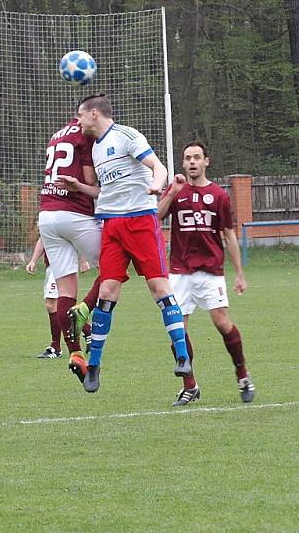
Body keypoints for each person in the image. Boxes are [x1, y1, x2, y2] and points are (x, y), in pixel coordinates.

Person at [74, 93, 191, 393]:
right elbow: (107, 190)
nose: (78, 121)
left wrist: (157, 183)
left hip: (140, 221)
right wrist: (80, 188)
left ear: (95, 114)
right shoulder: (97, 149)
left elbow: (158, 166)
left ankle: (182, 356)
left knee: (159, 288)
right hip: (112, 225)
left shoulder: (126, 135)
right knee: (107, 290)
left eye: (81, 115)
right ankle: (95, 366)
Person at [158, 141, 255, 406]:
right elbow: (155, 217)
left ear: (206, 162)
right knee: (177, 330)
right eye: (188, 157)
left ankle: (242, 374)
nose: (191, 162)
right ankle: (189, 385)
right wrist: (171, 192)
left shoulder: (219, 196)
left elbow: (229, 235)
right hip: (179, 270)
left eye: (196, 157)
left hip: (210, 270)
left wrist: (239, 273)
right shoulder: (176, 190)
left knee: (223, 324)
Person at [35, 115, 103, 377]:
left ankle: (75, 352)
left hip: (47, 215)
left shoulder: (57, 134)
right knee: (114, 266)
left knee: (65, 291)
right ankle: (85, 311)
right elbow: (89, 177)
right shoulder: (84, 132)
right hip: (74, 213)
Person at [26, 234, 63, 359]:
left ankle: (56, 348)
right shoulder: (47, 216)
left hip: (60, 264)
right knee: (63, 305)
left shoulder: (61, 216)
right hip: (51, 266)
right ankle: (87, 331)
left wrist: (84, 260)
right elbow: (43, 239)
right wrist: (33, 260)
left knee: (52, 305)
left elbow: (77, 236)